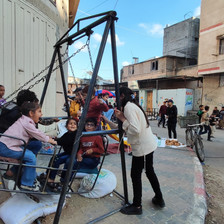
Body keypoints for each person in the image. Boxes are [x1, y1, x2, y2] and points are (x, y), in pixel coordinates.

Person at [115, 87, 165, 215]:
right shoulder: (132, 105)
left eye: (117, 97)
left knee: (135, 175)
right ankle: (159, 198)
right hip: (147, 144)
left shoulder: (128, 107)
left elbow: (135, 129)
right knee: (149, 171)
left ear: (121, 96)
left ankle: (137, 206)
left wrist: (122, 119)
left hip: (142, 147)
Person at [0, 102, 56, 191]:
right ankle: (27, 183)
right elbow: (37, 133)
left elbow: (36, 132)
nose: (41, 114)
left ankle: (20, 171)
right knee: (30, 157)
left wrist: (46, 137)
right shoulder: (26, 123)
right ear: (31, 113)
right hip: (6, 148)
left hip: (9, 145)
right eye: (39, 111)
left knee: (36, 145)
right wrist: (49, 140)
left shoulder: (25, 120)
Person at [61, 118, 104, 182]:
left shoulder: (97, 137)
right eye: (87, 125)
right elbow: (81, 148)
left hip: (93, 160)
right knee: (68, 161)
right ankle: (62, 179)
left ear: (95, 128)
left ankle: (67, 182)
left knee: (73, 163)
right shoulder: (83, 136)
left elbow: (102, 150)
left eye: (91, 125)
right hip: (84, 156)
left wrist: (93, 150)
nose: (89, 126)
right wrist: (79, 154)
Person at [46, 118, 78, 189]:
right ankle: (48, 175)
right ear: (66, 126)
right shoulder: (67, 134)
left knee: (61, 160)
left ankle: (56, 180)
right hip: (68, 153)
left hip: (73, 154)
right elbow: (61, 140)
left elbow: (63, 141)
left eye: (74, 124)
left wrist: (54, 141)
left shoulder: (76, 134)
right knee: (54, 157)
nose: (72, 125)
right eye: (70, 124)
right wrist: (53, 139)